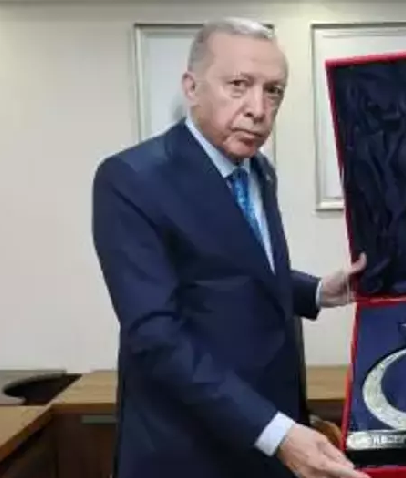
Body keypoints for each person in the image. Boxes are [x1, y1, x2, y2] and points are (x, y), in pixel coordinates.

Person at [91, 18, 369, 478]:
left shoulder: (258, 171)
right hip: (188, 450)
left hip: (270, 435)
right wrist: (277, 433)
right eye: (239, 84)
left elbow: (234, 271)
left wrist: (318, 290)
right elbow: (156, 335)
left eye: (273, 91)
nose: (258, 108)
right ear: (192, 87)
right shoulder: (131, 178)